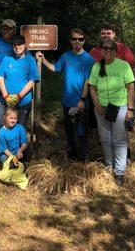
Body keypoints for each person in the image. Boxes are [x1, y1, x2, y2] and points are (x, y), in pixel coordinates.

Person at [36, 28, 94, 161]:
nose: (77, 42)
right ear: (70, 41)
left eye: (80, 39)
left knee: (81, 132)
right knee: (69, 131)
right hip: (67, 101)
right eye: (74, 39)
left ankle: (83, 160)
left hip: (81, 103)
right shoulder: (66, 56)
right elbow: (55, 68)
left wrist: (82, 100)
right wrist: (43, 59)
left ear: (84, 41)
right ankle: (71, 157)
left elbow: (88, 81)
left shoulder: (88, 59)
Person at [88, 39, 135, 186]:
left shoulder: (123, 66)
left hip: (120, 107)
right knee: (105, 139)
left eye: (111, 49)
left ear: (115, 51)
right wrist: (97, 106)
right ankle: (109, 166)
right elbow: (92, 88)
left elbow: (131, 88)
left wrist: (130, 110)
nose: (108, 51)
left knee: (119, 140)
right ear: (101, 50)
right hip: (101, 108)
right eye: (105, 48)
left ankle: (120, 172)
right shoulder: (97, 66)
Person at [90, 23, 135, 95]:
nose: (106, 36)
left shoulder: (123, 48)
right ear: (100, 35)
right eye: (103, 33)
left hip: (120, 96)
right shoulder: (94, 51)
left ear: (114, 34)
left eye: (108, 33)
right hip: (100, 95)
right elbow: (88, 73)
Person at [0, 34, 40, 140]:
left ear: (24, 45)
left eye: (19, 44)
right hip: (5, 101)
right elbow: (0, 77)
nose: (17, 47)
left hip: (23, 102)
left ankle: (17, 155)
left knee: (19, 129)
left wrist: (19, 96)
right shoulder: (7, 58)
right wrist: (5, 96)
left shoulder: (30, 60)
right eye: (14, 45)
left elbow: (32, 80)